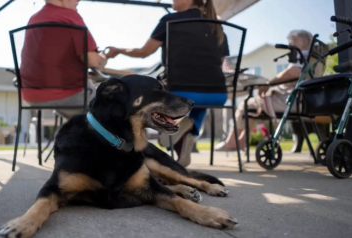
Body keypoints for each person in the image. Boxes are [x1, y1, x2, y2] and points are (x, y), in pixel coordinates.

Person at [106, 0, 229, 167]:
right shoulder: (217, 26)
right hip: (218, 94)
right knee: (199, 97)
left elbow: (144, 52)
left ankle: (172, 130)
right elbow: (220, 62)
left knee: (160, 100)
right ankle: (190, 130)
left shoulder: (170, 20)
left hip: (182, 92)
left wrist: (118, 51)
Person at [215, 29, 313, 151]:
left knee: (245, 105)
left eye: (292, 41)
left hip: (290, 100)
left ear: (303, 41)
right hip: (301, 99)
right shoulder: (313, 57)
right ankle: (240, 141)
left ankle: (231, 143)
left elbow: (292, 72)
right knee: (251, 110)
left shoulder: (302, 55)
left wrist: (268, 84)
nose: (289, 45)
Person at [20, 0, 107, 119]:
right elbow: (93, 62)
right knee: (113, 110)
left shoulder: (34, 19)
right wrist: (104, 56)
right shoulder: (70, 17)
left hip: (31, 95)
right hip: (68, 95)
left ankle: (70, 135)